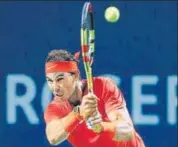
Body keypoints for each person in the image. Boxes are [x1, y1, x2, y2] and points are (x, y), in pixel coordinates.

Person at [44, 49, 145, 147]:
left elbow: (127, 131)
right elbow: (53, 137)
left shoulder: (103, 86)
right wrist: (78, 114)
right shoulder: (54, 108)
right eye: (50, 81)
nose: (55, 87)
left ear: (75, 76)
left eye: (60, 79)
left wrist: (100, 127)